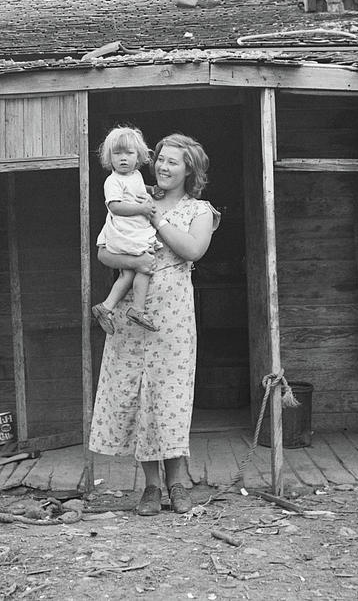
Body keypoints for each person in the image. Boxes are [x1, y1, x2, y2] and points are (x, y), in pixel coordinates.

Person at [88, 133, 221, 516]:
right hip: (132, 313)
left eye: (172, 162)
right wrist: (133, 263)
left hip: (174, 318)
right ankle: (149, 488)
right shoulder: (133, 199)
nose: (162, 166)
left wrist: (155, 216)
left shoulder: (200, 210)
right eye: (160, 158)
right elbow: (103, 252)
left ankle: (178, 484)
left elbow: (192, 250)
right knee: (138, 396)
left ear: (189, 170)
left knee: (170, 396)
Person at [91, 125, 161, 333]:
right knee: (145, 266)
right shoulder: (112, 181)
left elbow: (138, 189)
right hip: (125, 232)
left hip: (133, 229)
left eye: (129, 153)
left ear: (138, 156)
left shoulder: (136, 175)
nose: (123, 158)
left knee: (128, 274)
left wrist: (152, 190)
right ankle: (137, 309)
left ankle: (106, 307)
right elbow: (115, 206)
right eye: (117, 153)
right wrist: (143, 208)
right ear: (108, 157)